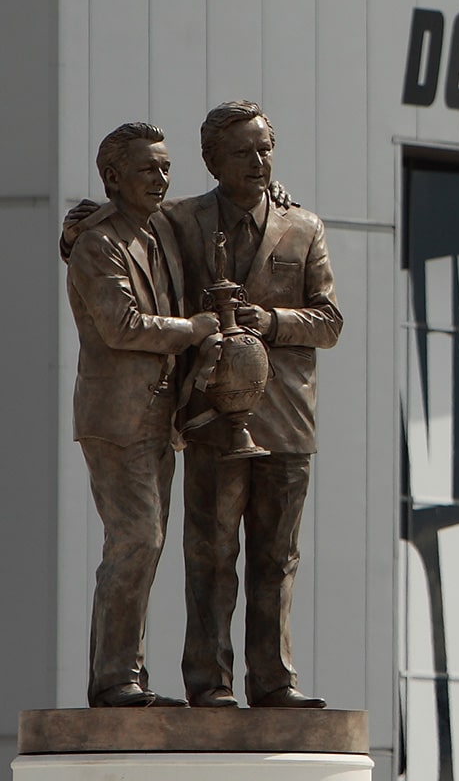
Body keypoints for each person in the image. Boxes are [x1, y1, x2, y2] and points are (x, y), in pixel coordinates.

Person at [63, 101, 342, 708]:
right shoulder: (180, 221)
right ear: (212, 162)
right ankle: (207, 683)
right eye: (241, 152)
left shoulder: (304, 226)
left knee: (278, 556)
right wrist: (75, 224)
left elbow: (329, 321)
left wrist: (268, 320)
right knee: (206, 554)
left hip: (287, 417)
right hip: (208, 415)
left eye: (264, 149)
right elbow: (116, 220)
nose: (258, 161)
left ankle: (274, 681)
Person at [66, 122, 220, 707]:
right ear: (112, 179)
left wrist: (273, 194)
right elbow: (121, 325)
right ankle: (113, 682)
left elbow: (217, 207)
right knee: (136, 539)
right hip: (115, 418)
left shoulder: (157, 232)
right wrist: (193, 331)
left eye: (165, 167)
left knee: (145, 545)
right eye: (147, 169)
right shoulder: (97, 243)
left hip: (158, 418)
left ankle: (128, 675)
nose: (162, 178)